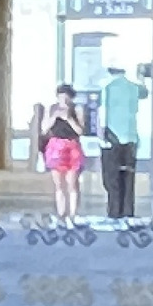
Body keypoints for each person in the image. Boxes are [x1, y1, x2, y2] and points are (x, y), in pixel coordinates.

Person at [98, 65, 145, 219]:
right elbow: (144, 93)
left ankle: (114, 211)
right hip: (131, 137)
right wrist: (141, 77)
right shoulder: (133, 87)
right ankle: (127, 211)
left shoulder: (108, 87)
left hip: (113, 137)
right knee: (128, 175)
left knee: (112, 178)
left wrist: (101, 136)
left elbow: (103, 111)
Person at [41, 83, 89, 223]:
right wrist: (54, 117)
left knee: (72, 183)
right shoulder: (52, 109)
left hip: (71, 146)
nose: (63, 100)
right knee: (58, 184)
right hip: (56, 146)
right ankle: (61, 212)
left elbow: (80, 131)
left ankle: (73, 214)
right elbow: (44, 129)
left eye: (66, 98)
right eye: (61, 97)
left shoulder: (77, 109)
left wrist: (69, 118)